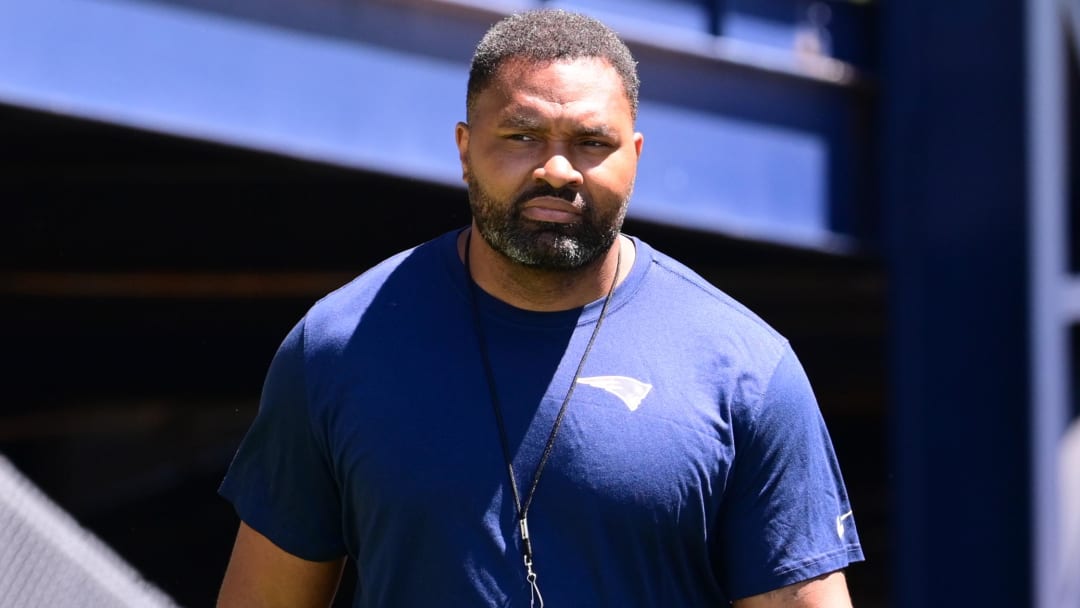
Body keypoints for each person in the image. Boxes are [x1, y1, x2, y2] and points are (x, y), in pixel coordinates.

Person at [217, 9, 864, 607]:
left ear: (634, 159)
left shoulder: (745, 369)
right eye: (522, 135)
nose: (558, 168)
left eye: (591, 142)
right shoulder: (337, 347)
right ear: (465, 147)